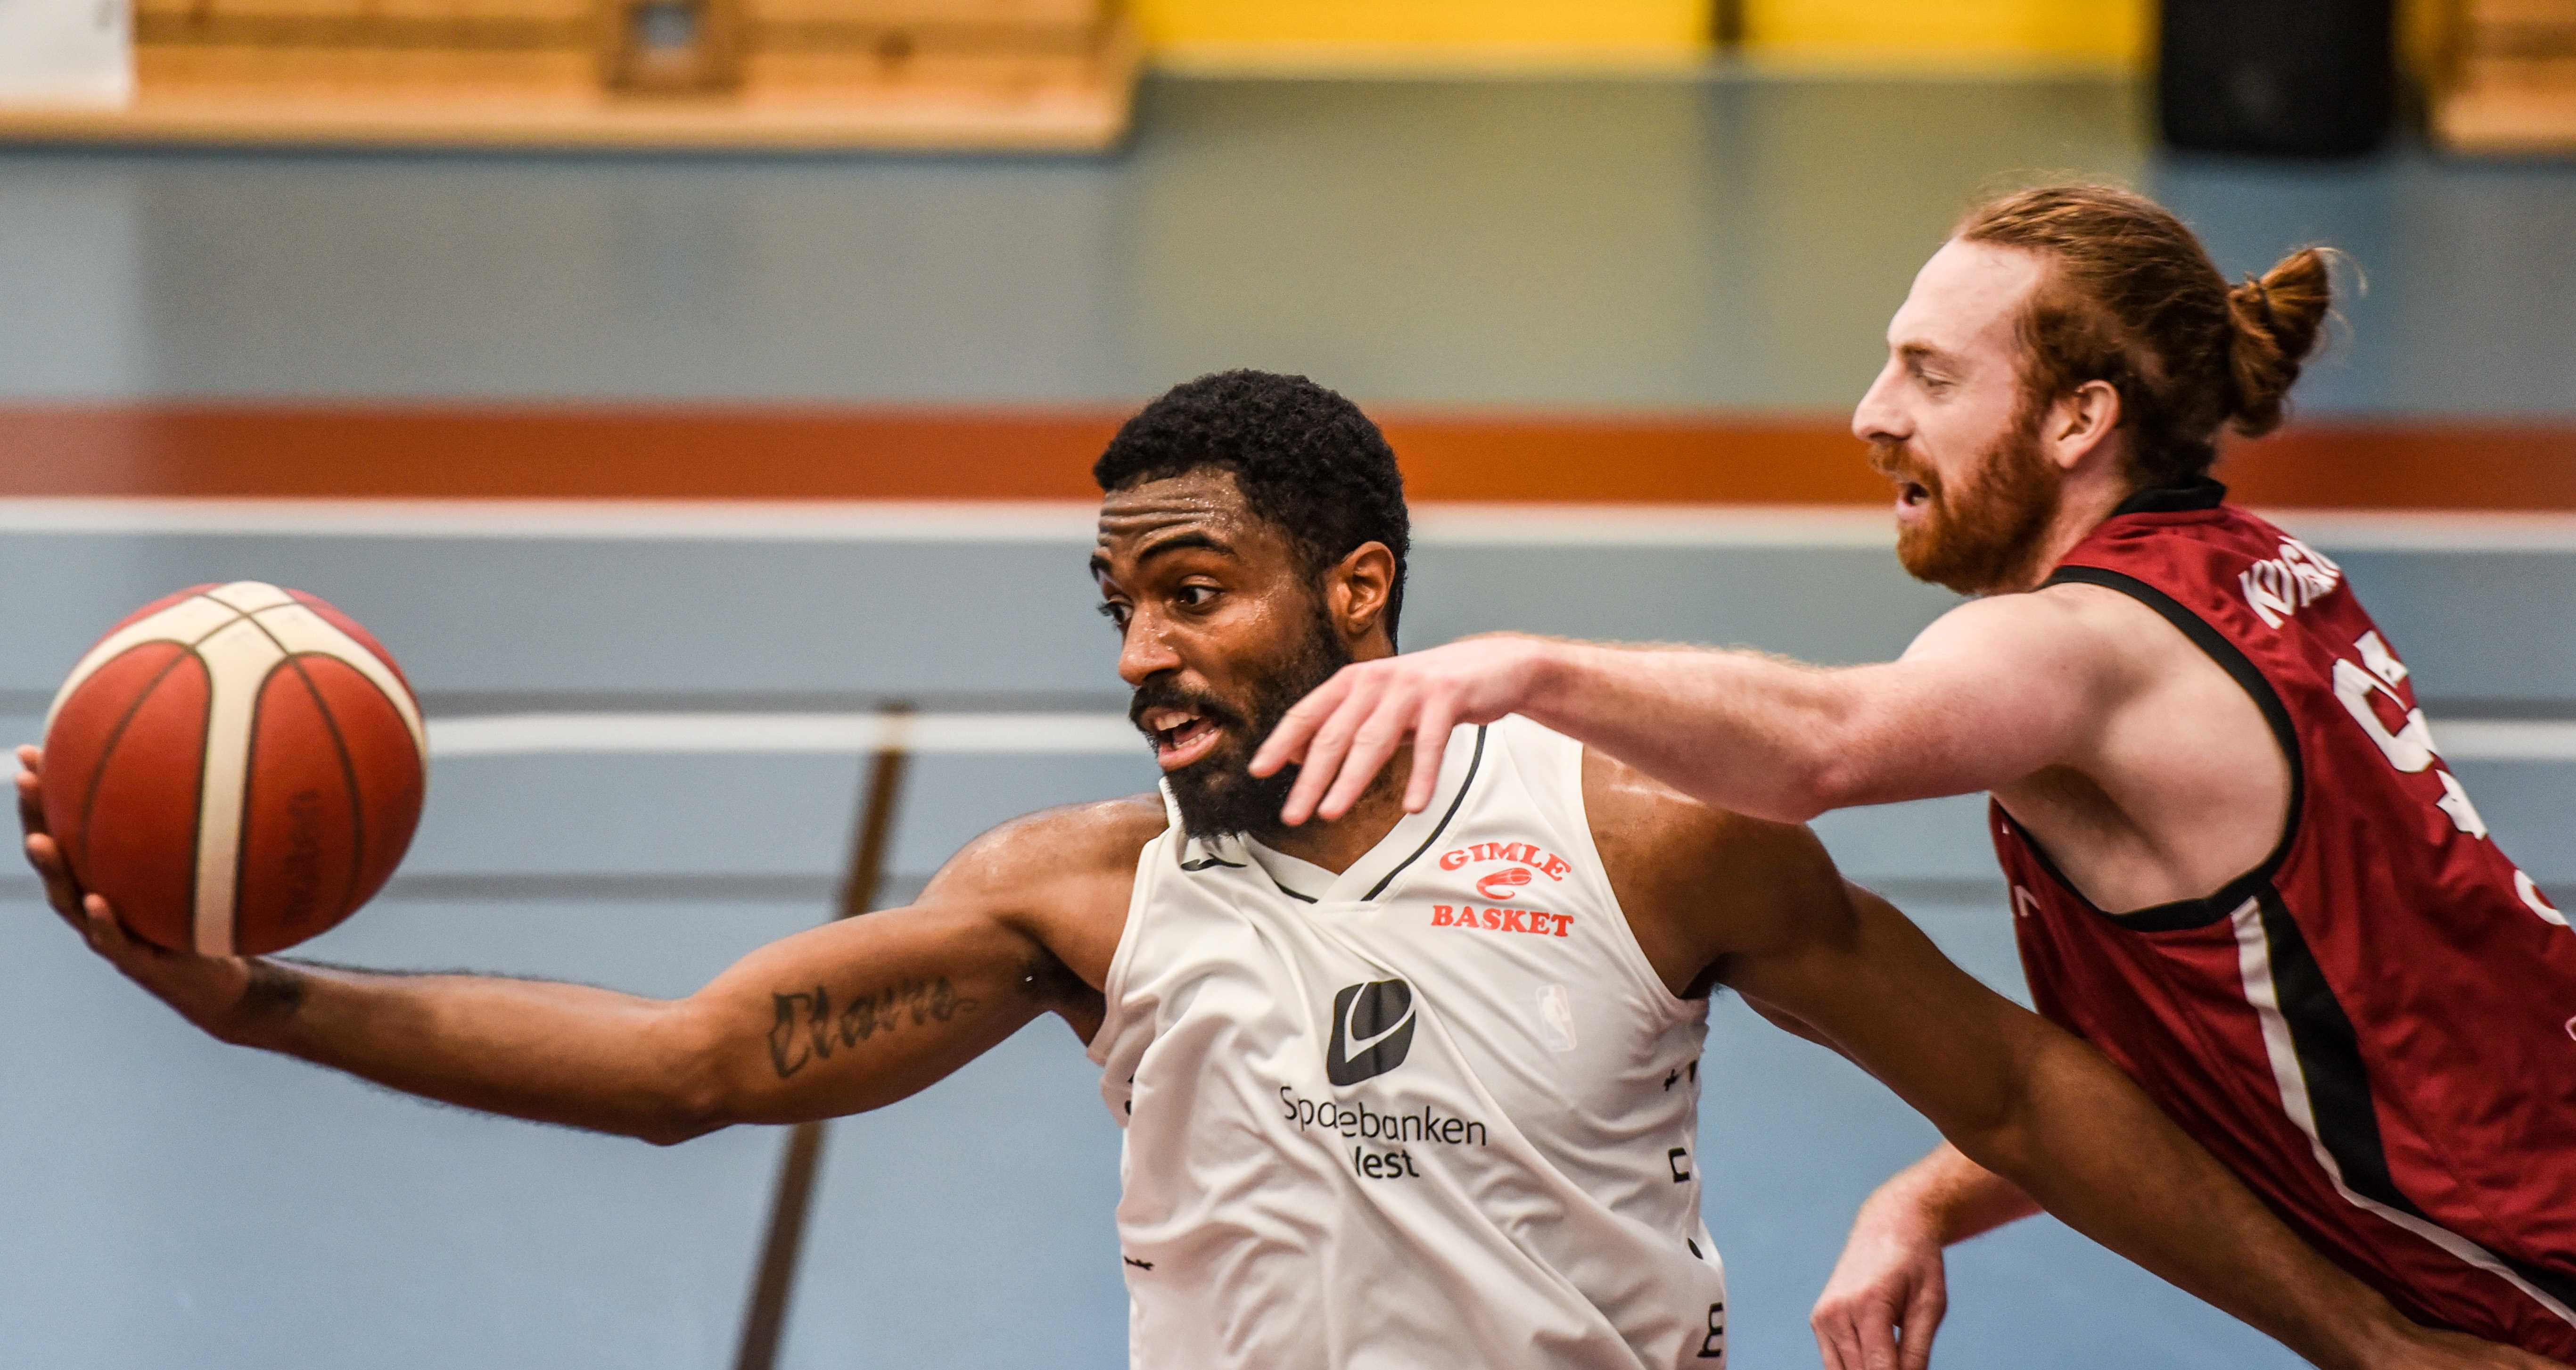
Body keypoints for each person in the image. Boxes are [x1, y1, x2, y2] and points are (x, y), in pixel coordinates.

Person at [18, 371, 2550, 1370]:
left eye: (1193, 584)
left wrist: (2364, 1338)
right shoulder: (1077, 895)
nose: (1143, 642)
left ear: (1356, 591)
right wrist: (264, 1007)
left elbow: (2022, 1078)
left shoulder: (1651, 837)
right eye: (1115, 597)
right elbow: (695, 1063)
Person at [1250, 187, 2576, 1370]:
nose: (1870, 415)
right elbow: (2245, 1047)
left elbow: (1823, 744)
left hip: (2527, 1263)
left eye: (1928, 375)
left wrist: (1519, 667)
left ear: (2076, 419)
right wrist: (1928, 1198)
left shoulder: (2086, 647)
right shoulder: (2251, 567)